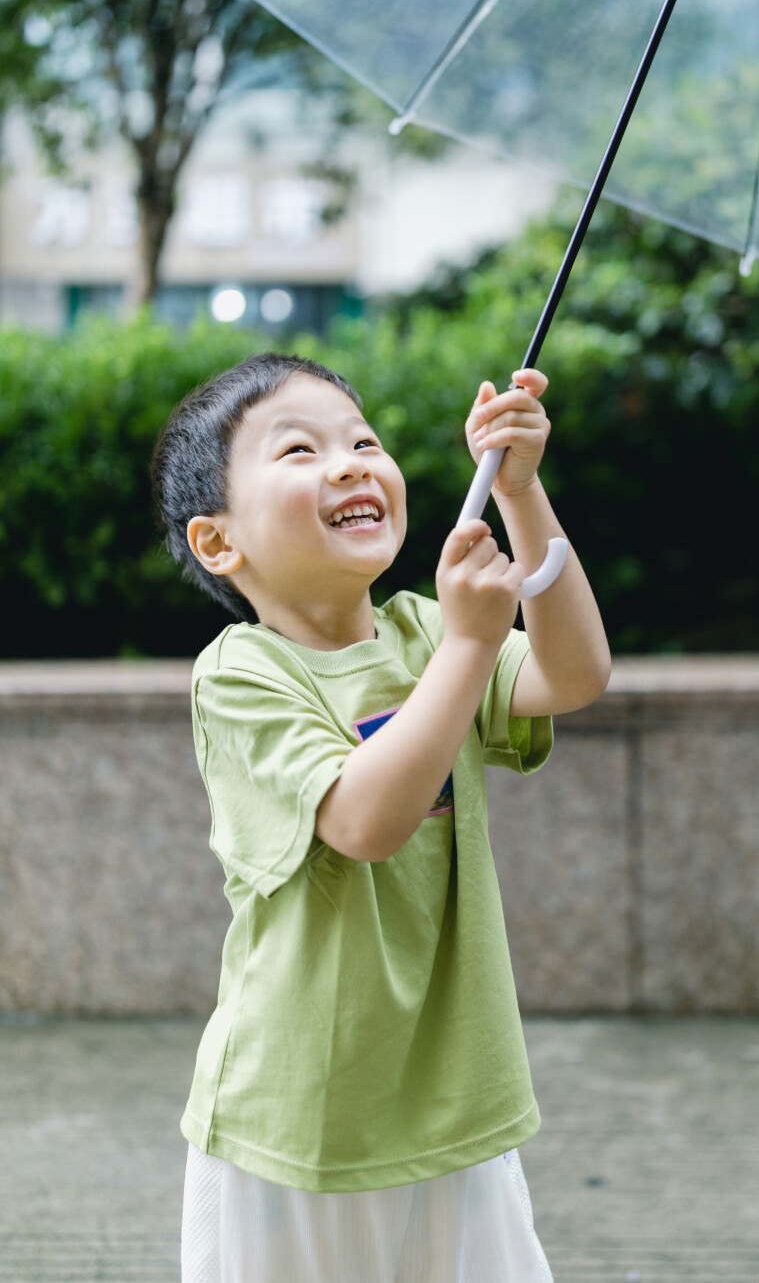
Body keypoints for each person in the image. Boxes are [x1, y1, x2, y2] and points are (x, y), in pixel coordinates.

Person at [150, 350, 610, 1283]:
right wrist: (474, 643)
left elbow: (575, 674)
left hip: (454, 1100)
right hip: (297, 1120)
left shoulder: (426, 632)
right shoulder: (242, 675)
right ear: (218, 542)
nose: (354, 462)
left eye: (364, 440)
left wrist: (522, 496)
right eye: (299, 451)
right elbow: (365, 822)